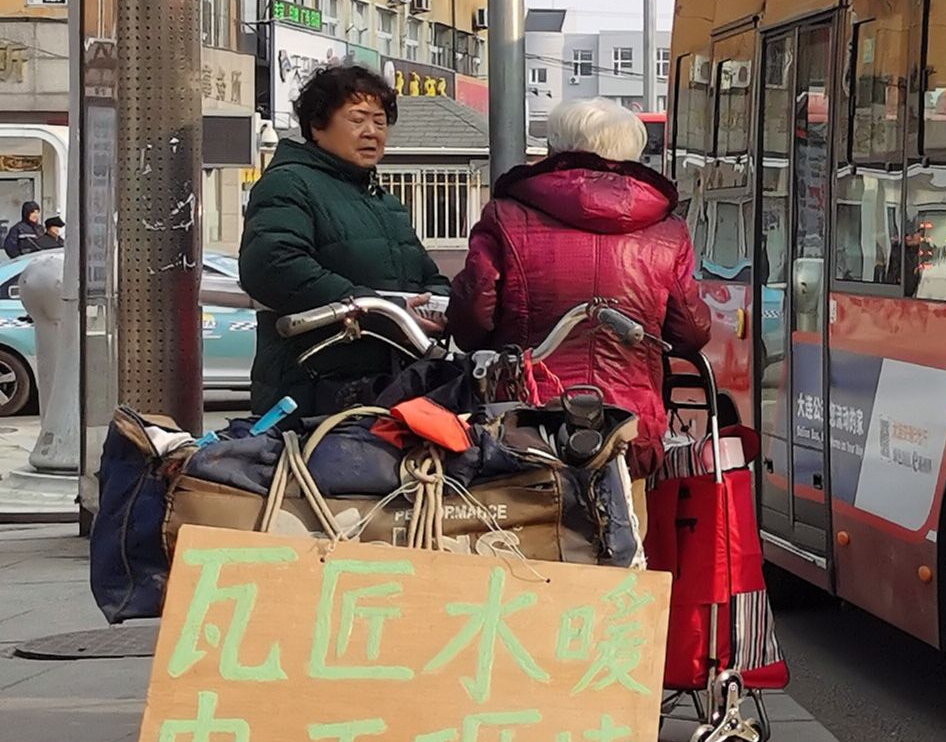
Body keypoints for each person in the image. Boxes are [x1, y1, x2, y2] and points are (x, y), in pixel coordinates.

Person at [449, 97, 711, 463]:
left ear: (555, 149)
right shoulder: (668, 231)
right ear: (632, 155)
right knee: (627, 515)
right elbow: (690, 334)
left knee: (527, 514)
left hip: (528, 421)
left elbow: (472, 318)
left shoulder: (505, 216)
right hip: (627, 426)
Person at [240, 64, 450, 416]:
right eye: (357, 119)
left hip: (388, 388)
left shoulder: (384, 203)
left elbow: (425, 275)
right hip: (313, 389)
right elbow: (273, 264)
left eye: (380, 122)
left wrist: (441, 304)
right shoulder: (289, 183)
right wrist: (370, 308)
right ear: (317, 125)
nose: (372, 132)